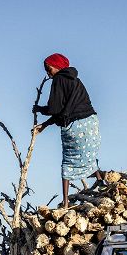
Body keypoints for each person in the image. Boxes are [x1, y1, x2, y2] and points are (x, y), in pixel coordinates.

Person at [33, 53, 103, 207]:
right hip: (91, 123)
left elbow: (55, 109)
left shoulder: (58, 80)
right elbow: (65, 111)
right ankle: (100, 182)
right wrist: (44, 126)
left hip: (76, 127)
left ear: (56, 66)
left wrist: (39, 109)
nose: (47, 73)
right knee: (89, 157)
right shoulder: (76, 80)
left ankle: (65, 203)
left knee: (68, 162)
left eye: (48, 68)